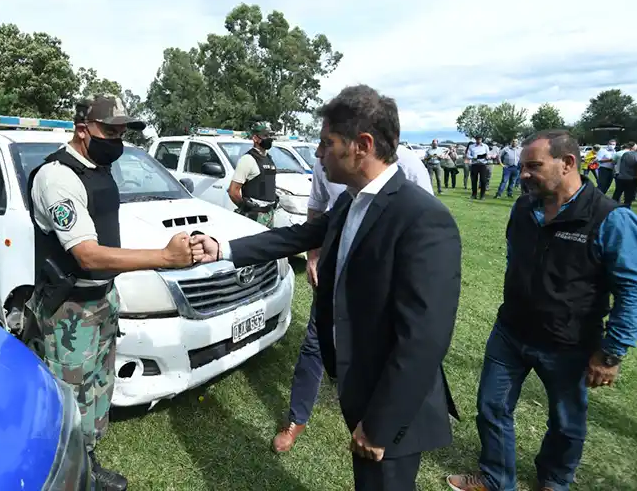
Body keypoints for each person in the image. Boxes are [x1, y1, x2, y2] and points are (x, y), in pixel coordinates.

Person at [192, 85, 462, 491]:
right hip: (360, 385)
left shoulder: (422, 218)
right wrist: (221, 248)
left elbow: (424, 339)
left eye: (326, 143)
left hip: (394, 404)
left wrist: (380, 425)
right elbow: (296, 237)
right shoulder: (352, 201)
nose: (318, 154)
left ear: (362, 146)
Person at [447, 130, 637, 491]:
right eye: (522, 166)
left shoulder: (610, 218)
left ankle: (555, 481)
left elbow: (636, 287)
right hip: (511, 331)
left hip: (569, 342)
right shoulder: (524, 207)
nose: (523, 174)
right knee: (492, 408)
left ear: (568, 163)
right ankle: (497, 478)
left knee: (566, 421)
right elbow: (515, 256)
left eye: (534, 166)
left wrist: (611, 352)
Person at [27, 94, 195, 491]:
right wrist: (165, 258)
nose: (118, 140)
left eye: (123, 132)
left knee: (98, 389)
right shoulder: (57, 177)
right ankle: (62, 476)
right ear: (82, 130)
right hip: (70, 310)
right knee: (68, 399)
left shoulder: (98, 168)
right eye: (110, 131)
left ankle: (87, 463)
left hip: (101, 298)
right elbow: (85, 254)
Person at [271, 139, 434, 455]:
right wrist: (314, 257)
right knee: (314, 342)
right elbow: (317, 210)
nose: (319, 152)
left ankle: (382, 420)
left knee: (379, 346)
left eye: (327, 142)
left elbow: (422, 218)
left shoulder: (409, 164)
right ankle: (297, 418)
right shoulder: (326, 164)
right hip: (335, 267)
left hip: (379, 277)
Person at [228, 123, 278, 226]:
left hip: (269, 214)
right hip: (255, 217)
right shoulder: (247, 160)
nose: (269, 139)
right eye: (265, 136)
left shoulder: (268, 158)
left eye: (270, 135)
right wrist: (246, 209)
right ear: (255, 138)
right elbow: (233, 191)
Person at [610, 142, 637, 208]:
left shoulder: (620, 153)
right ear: (632, 147)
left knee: (618, 192)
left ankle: (613, 205)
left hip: (620, 175)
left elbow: (613, 162)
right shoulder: (636, 156)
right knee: (628, 195)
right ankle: (626, 207)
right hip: (631, 178)